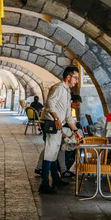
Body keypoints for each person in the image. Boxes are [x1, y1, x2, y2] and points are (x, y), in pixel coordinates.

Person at [39, 66, 81, 194]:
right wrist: (56, 118)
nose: (76, 81)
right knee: (50, 153)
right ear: (68, 77)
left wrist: (75, 131)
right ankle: (44, 184)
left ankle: (56, 179)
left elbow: (68, 115)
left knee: (54, 153)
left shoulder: (67, 91)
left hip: (58, 124)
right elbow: (50, 103)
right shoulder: (58, 88)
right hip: (51, 123)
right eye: (76, 78)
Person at [34, 94, 82, 175]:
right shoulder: (62, 105)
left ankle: (55, 171)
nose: (78, 107)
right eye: (77, 104)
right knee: (50, 150)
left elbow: (68, 119)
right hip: (51, 127)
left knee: (52, 149)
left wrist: (75, 130)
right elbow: (63, 119)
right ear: (71, 102)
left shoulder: (67, 108)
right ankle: (46, 176)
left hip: (52, 127)